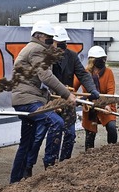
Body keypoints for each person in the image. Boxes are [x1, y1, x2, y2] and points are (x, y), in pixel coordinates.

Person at [24, 26, 99, 177]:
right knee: (39, 135)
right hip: (50, 101)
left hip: (67, 101)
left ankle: (64, 164)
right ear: (53, 42)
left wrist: (91, 89)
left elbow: (82, 74)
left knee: (70, 134)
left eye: (65, 43)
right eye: (60, 43)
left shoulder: (71, 56)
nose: (63, 46)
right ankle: (30, 165)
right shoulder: (44, 57)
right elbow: (44, 78)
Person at [10, 20, 76, 183]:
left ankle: (15, 182)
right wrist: (67, 95)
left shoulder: (31, 48)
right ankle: (50, 167)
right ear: (39, 36)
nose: (51, 40)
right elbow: (45, 76)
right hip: (28, 100)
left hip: (24, 98)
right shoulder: (36, 49)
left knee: (26, 143)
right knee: (56, 123)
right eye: (48, 37)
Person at [73, 46, 117, 150]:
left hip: (105, 104)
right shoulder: (84, 73)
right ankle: (89, 155)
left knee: (111, 127)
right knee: (90, 133)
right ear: (92, 60)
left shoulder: (108, 72)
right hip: (90, 106)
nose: (102, 61)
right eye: (99, 59)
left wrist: (108, 105)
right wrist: (76, 98)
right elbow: (73, 87)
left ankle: (112, 150)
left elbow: (111, 91)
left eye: (103, 59)